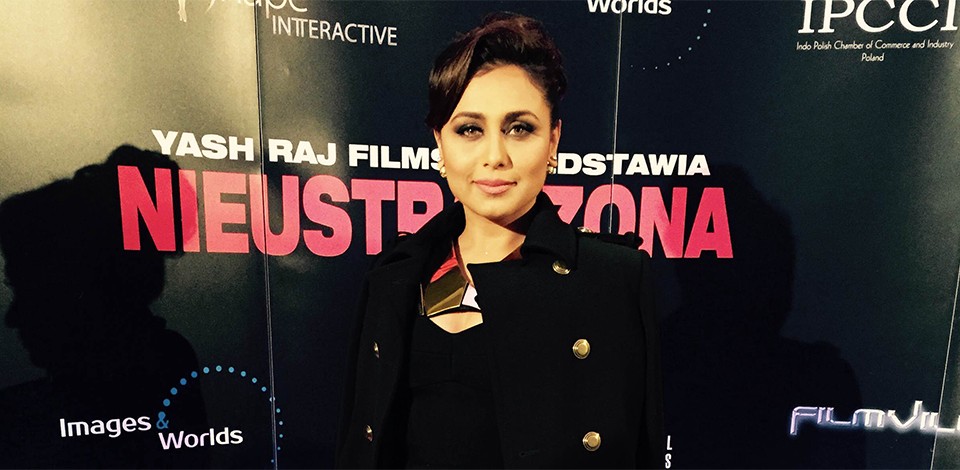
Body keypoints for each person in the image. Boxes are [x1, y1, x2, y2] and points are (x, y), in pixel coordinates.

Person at [337, 12, 662, 469]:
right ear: (440, 143)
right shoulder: (395, 272)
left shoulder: (613, 278)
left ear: (553, 141)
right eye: (469, 129)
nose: (495, 156)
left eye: (519, 128)